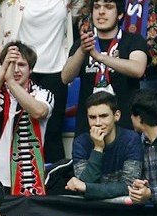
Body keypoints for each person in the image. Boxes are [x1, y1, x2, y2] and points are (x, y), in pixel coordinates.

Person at [0, 0, 82, 164]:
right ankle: (7, 178)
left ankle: (52, 182)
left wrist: (70, 16)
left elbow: (80, 5)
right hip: (18, 68)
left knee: (51, 133)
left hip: (56, 69)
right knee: (10, 128)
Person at [0, 41, 53, 195]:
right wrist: (3, 71)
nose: (16, 70)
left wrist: (10, 82)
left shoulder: (42, 94)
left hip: (26, 181)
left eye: (21, 65)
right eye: (11, 64)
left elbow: (38, 111)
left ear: (31, 69)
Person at [62, 0, 148, 133]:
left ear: (119, 14)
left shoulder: (133, 40)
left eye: (108, 7)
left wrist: (101, 57)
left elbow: (138, 70)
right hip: (87, 128)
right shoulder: (84, 43)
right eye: (96, 7)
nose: (101, 12)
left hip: (124, 127)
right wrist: (81, 51)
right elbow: (65, 77)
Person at [66, 91, 143, 200]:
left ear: (116, 116)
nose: (97, 122)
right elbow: (82, 186)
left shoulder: (131, 139)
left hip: (123, 210)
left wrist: (88, 188)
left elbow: (128, 186)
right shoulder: (81, 143)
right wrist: (98, 149)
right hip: (90, 210)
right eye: (92, 117)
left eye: (103, 116)